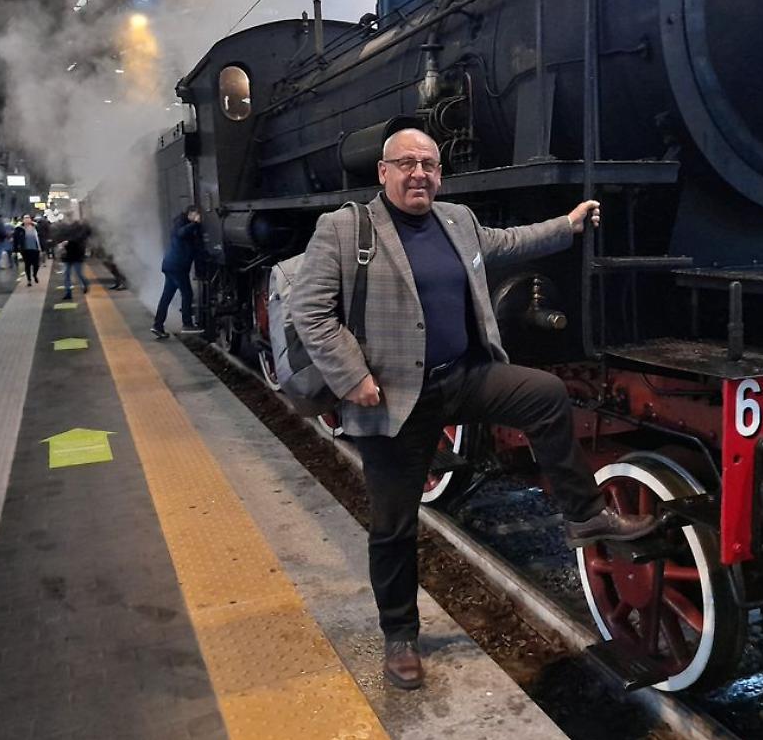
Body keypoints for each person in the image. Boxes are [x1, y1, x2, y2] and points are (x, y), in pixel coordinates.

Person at [288, 128, 656, 690]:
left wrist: (569, 224)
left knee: (545, 394)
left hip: (462, 378)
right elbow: (310, 312)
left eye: (430, 165)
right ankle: (400, 637)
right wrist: (352, 376)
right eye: (407, 163)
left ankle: (583, 514)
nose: (419, 174)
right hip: (391, 397)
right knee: (393, 527)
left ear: (440, 173)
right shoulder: (343, 228)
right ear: (383, 172)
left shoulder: (455, 220)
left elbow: (509, 242)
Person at [151, 205, 203, 339]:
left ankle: (157, 325)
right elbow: (181, 233)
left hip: (172, 265)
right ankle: (187, 324)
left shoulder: (184, 224)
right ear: (190, 213)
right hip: (177, 266)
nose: (198, 217)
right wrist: (195, 223)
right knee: (187, 293)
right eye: (196, 214)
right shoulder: (182, 224)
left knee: (166, 297)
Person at [61, 220, 90, 300]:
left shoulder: (81, 234)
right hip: (68, 256)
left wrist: (68, 242)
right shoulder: (67, 232)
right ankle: (68, 292)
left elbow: (78, 241)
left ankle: (85, 283)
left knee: (78, 273)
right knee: (67, 274)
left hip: (77, 256)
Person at [12, 214, 43, 286]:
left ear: (31, 219)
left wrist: (43, 247)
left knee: (36, 264)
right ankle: (29, 280)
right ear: (22, 219)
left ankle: (34, 275)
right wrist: (14, 250)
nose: (27, 219)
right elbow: (15, 240)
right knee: (27, 264)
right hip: (25, 249)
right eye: (25, 218)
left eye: (28, 218)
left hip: (35, 248)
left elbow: (41, 237)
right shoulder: (19, 229)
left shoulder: (36, 227)